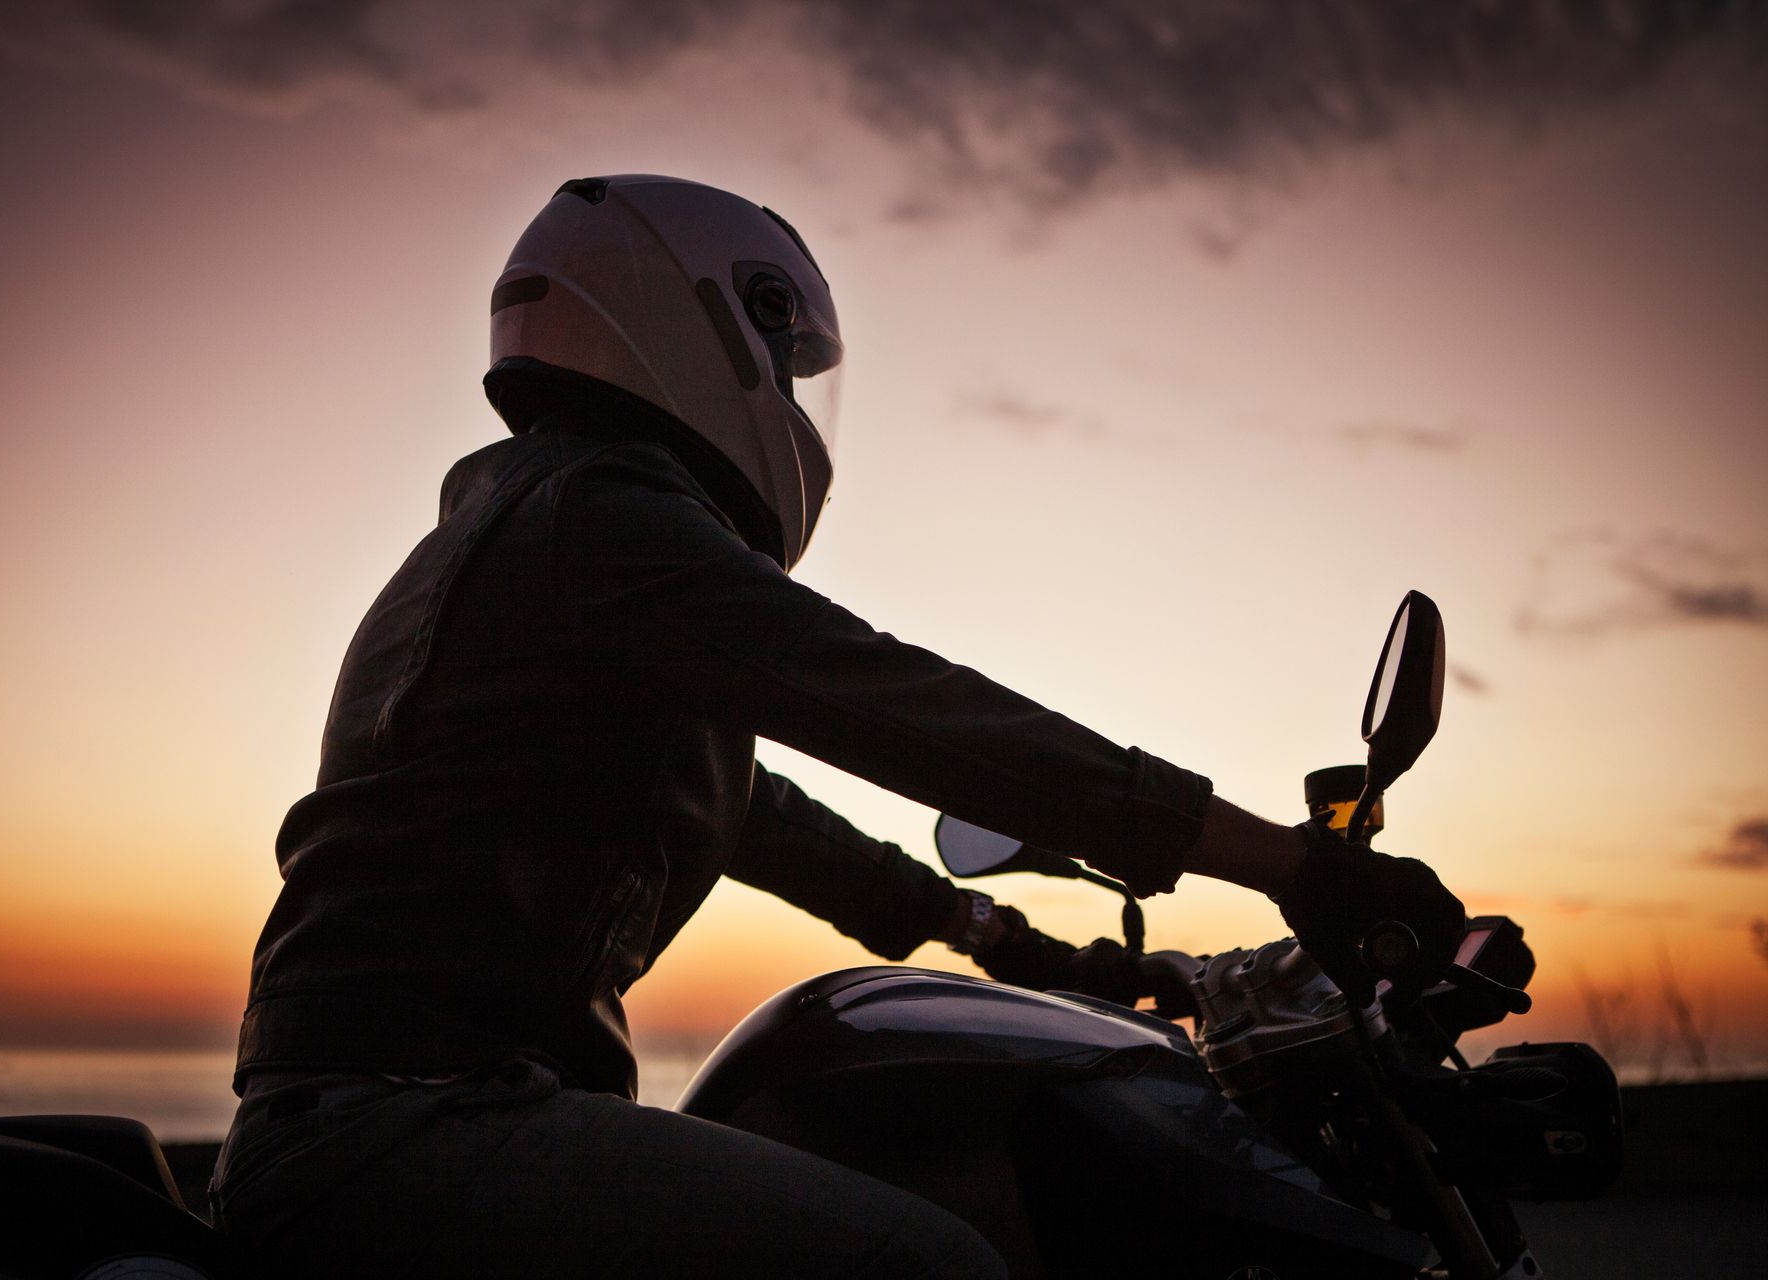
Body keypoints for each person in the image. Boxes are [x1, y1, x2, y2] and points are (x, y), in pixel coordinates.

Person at [210, 175, 1465, 1278]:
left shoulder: (549, 548)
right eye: (790, 359)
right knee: (931, 1262)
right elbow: (900, 705)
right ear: (704, 318)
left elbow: (779, 825)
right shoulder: (597, 520)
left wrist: (1040, 950)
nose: (801, 404)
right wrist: (1289, 861)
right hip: (406, 1126)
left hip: (391, 1117)